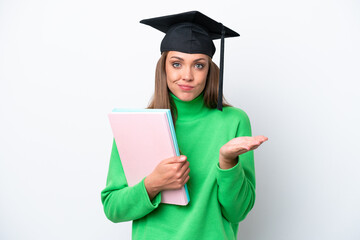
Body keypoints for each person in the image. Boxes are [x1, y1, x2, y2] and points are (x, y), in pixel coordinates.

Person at [101, 11, 268, 240]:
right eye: (177, 64)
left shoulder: (234, 121)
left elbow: (238, 212)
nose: (187, 75)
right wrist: (152, 184)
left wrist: (228, 163)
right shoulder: (137, 124)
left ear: (210, 70)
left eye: (198, 65)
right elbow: (112, 208)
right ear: (164, 68)